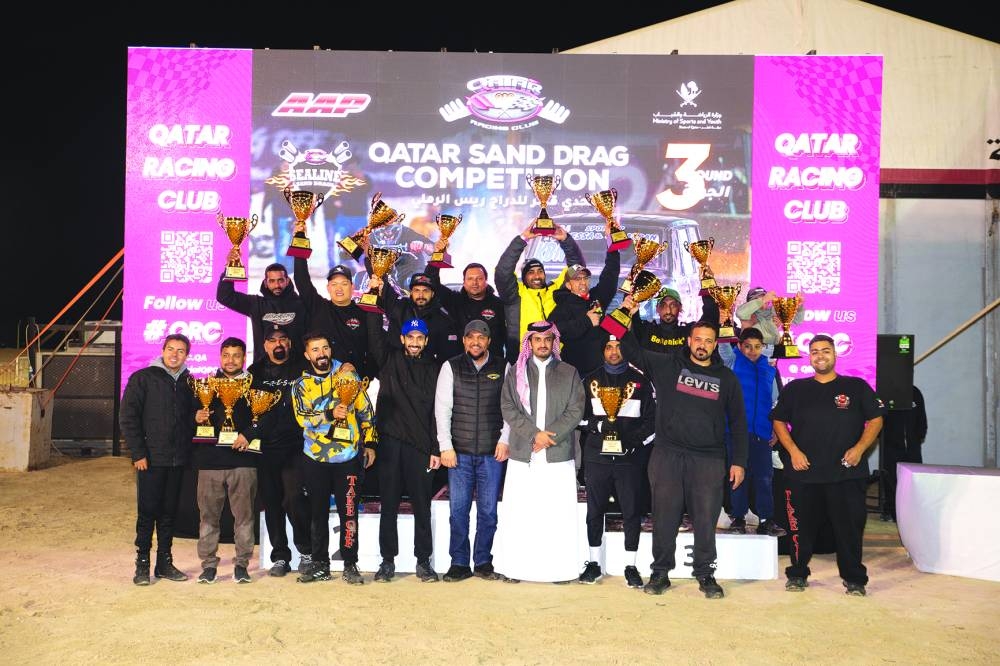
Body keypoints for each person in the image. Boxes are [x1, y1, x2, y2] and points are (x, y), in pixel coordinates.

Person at [621, 317, 748, 599]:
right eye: (698, 339)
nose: (702, 345)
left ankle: (705, 574)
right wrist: (625, 309)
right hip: (668, 455)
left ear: (715, 345)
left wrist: (739, 461)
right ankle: (660, 572)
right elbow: (630, 349)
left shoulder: (726, 378)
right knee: (664, 518)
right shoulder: (668, 366)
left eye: (708, 341)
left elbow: (739, 423)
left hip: (709, 460)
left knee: (705, 520)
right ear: (689, 341)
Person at [771, 334, 885, 596]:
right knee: (800, 530)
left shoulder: (856, 386)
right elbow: (778, 421)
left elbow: (877, 419)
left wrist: (859, 449)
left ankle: (854, 578)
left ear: (835, 354)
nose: (820, 356)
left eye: (825, 351)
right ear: (809, 357)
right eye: (814, 352)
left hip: (846, 474)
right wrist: (794, 451)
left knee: (849, 529)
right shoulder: (796, 389)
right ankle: (798, 573)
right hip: (803, 474)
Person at [497, 321, 586, 583]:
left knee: (557, 517)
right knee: (521, 515)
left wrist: (548, 438)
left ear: (553, 341)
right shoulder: (516, 372)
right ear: (530, 343)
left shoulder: (569, 372)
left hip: (558, 456)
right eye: (538, 339)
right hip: (524, 454)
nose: (543, 344)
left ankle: (559, 570)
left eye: (548, 339)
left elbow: (576, 410)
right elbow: (508, 408)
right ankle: (515, 568)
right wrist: (534, 434)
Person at [292, 331, 377, 585]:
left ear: (331, 350)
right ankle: (320, 564)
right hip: (315, 459)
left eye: (325, 348)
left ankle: (351, 564)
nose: (321, 354)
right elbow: (302, 418)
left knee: (348, 513)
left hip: (348, 458)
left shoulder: (348, 376)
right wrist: (330, 413)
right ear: (307, 355)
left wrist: (370, 442)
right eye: (315, 350)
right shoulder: (301, 385)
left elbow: (366, 411)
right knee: (317, 514)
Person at [365, 312, 443, 583]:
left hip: (421, 448)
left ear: (426, 341)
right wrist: (374, 295)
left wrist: (435, 448)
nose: (414, 342)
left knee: (422, 507)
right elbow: (374, 334)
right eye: (410, 337)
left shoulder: (435, 369)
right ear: (402, 338)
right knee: (389, 506)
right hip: (389, 445)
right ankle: (387, 562)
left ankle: (424, 562)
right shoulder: (389, 360)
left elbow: (438, 412)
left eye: (419, 338)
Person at [434, 319, 510, 582]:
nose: (476, 342)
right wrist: (446, 447)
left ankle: (484, 562)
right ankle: (459, 563)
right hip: (459, 454)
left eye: (481, 337)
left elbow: (510, 408)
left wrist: (505, 440)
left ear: (489, 341)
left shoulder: (504, 366)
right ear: (464, 340)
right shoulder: (450, 366)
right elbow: (442, 410)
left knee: (488, 511)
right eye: (471, 337)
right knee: (458, 512)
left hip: (492, 453)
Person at [577, 336, 655, 588]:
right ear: (603, 350)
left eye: (618, 347)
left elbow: (652, 422)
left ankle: (631, 566)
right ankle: (593, 564)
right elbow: (575, 416)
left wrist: (634, 443)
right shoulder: (589, 381)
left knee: (632, 513)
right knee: (594, 513)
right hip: (596, 458)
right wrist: (597, 425)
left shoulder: (641, 382)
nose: (613, 352)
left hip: (629, 460)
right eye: (608, 347)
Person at [120, 333, 197, 585]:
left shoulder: (190, 383)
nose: (175, 355)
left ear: (187, 355)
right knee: (147, 513)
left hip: (177, 460)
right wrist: (138, 453)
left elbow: (189, 420)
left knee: (169, 514)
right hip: (151, 460)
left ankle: (164, 562)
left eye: (181, 351)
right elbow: (128, 418)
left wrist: (197, 418)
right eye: (171, 349)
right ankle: (142, 564)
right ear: (162, 351)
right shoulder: (143, 378)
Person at [246, 324, 313, 576]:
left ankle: (305, 551)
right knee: (272, 503)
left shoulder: (302, 367)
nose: (278, 344)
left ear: (290, 343)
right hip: (265, 448)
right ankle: (280, 557)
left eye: (283, 338)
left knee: (294, 498)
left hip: (296, 445)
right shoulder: (255, 372)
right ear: (265, 345)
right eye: (273, 340)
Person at [191, 337, 258, 584]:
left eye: (236, 355)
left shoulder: (253, 386)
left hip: (244, 463)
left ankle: (242, 565)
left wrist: (248, 434)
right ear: (220, 357)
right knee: (208, 518)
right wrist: (195, 416)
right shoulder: (205, 386)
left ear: (244, 358)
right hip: (209, 462)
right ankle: (208, 565)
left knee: (244, 518)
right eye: (226, 355)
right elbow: (188, 417)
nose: (231, 360)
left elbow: (264, 419)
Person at [718, 327, 787, 537]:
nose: (752, 351)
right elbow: (722, 347)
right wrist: (723, 319)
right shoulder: (732, 360)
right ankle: (738, 517)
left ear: (763, 347)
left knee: (764, 478)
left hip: (762, 432)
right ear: (739, 345)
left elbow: (776, 401)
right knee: (738, 477)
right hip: (736, 432)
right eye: (747, 346)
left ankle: (766, 519)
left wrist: (776, 429)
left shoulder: (769, 367)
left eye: (757, 347)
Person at [495, 220, 584, 362]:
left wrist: (566, 241)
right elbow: (502, 273)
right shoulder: (516, 293)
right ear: (524, 277)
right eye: (531, 272)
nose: (536, 276)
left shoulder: (556, 289)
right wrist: (522, 240)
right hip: (521, 361)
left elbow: (577, 269)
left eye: (540, 271)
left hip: (556, 360)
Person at [294, 247, 377, 380]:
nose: (339, 288)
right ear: (328, 288)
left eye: (344, 284)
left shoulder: (364, 313)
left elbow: (375, 351)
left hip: (353, 384)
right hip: (320, 385)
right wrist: (299, 237)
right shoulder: (318, 307)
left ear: (352, 286)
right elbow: (301, 279)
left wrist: (362, 374)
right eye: (334, 284)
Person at [549, 227, 621, 376]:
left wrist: (611, 244)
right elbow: (554, 332)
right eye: (577, 279)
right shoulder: (562, 306)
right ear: (568, 285)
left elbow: (610, 274)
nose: (582, 282)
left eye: (585, 278)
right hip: (574, 375)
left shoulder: (596, 298)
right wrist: (587, 321)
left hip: (602, 371)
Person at [216, 251, 308, 363]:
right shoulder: (255, 304)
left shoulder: (302, 304)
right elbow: (225, 296)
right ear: (265, 283)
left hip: (297, 369)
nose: (277, 285)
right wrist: (229, 268)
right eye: (272, 281)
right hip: (263, 372)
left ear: (287, 281)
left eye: (280, 280)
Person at [424, 257, 508, 363]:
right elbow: (431, 281)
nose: (475, 283)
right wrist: (438, 253)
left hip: (493, 366)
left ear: (486, 281)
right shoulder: (455, 301)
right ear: (464, 282)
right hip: (461, 366)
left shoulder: (499, 305)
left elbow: (509, 337)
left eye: (479, 278)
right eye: (470, 279)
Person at [375, 271, 462, 364]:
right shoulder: (398, 307)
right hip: (395, 371)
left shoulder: (444, 321)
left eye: (425, 291)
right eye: (417, 290)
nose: (421, 295)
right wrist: (375, 272)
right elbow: (381, 282)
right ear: (411, 292)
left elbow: (447, 360)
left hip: (427, 375)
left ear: (432, 293)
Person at [880, 385, 927, 522]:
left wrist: (919, 436)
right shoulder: (885, 393)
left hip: (912, 447)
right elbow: (877, 419)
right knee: (890, 478)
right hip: (891, 446)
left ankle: (912, 511)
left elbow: (921, 417)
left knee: (913, 479)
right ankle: (891, 511)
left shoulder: (914, 392)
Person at [629, 286, 720, 355]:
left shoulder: (689, 332)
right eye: (663, 305)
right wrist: (629, 301)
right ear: (657, 308)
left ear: (680, 307)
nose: (668, 310)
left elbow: (710, 316)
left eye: (673, 305)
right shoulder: (646, 331)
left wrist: (707, 283)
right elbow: (625, 325)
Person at [735, 287, 805, 352]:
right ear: (750, 302)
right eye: (757, 299)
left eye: (764, 297)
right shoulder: (748, 314)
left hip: (772, 353)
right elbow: (740, 313)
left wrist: (799, 306)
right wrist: (763, 300)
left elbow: (798, 320)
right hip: (752, 353)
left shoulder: (774, 310)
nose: (763, 300)